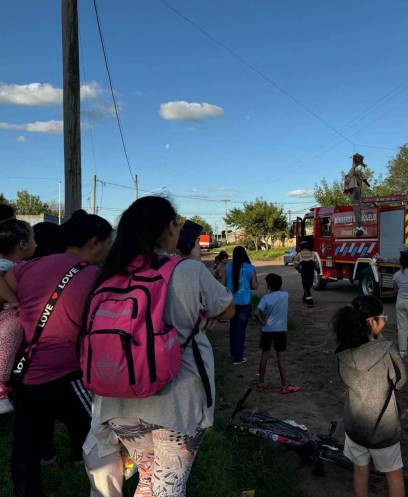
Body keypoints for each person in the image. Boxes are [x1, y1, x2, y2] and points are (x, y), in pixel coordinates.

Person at [92, 196, 235, 497]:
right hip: (176, 398)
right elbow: (228, 308)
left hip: (117, 395)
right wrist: (206, 315)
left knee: (147, 477)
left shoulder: (110, 272)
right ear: (170, 228)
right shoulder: (187, 270)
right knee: (168, 486)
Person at [3, 211, 112, 497]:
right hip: (67, 372)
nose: (108, 249)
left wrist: (15, 304)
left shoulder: (29, 267)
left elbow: (4, 289)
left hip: (25, 373)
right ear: (93, 241)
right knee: (99, 429)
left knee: (24, 446)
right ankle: (100, 478)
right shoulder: (94, 276)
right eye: (107, 243)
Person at [332, 295, 407, 497]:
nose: (385, 320)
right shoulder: (387, 350)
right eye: (383, 317)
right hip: (384, 428)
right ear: (372, 322)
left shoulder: (342, 352)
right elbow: (400, 381)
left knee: (359, 472)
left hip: (355, 425)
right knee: (394, 476)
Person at [0, 219, 37, 415]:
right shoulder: (5, 263)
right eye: (33, 238)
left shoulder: (22, 265)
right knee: (10, 335)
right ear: (23, 244)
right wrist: (13, 300)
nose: (36, 243)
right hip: (7, 313)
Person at [253, 273, 300, 394]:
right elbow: (280, 291)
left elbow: (256, 312)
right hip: (280, 330)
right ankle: (284, 384)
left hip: (267, 330)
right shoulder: (285, 295)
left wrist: (263, 322)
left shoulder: (265, 298)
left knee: (264, 355)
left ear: (269, 286)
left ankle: (260, 383)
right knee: (281, 357)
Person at [225, 246, 258, 365]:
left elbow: (223, 283)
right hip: (244, 302)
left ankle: (233, 354)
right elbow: (255, 286)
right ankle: (238, 358)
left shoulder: (228, 266)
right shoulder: (250, 268)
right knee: (240, 330)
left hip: (230, 302)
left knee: (233, 328)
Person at [344, 153, 370, 237]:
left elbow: (349, 177)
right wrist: (366, 183)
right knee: (357, 205)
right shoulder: (355, 173)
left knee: (356, 206)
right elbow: (363, 177)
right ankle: (359, 226)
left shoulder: (353, 173)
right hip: (356, 189)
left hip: (355, 189)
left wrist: (346, 189)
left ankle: (359, 226)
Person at [294, 240, 316, 307]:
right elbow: (316, 264)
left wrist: (298, 270)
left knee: (305, 285)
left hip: (304, 272)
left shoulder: (299, 254)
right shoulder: (312, 253)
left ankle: (309, 300)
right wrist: (317, 270)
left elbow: (296, 265)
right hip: (311, 272)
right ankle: (306, 298)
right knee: (309, 285)